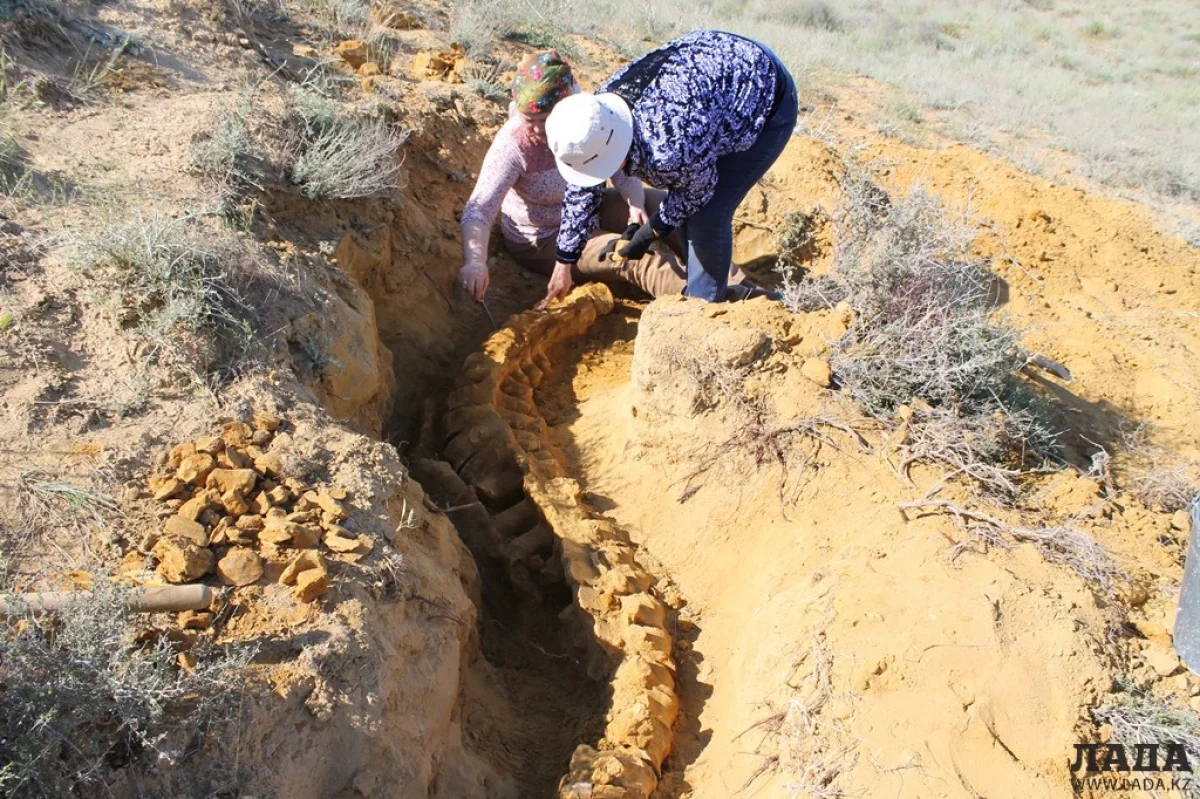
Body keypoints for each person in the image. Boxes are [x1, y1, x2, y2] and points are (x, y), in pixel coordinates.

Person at [457, 50, 749, 305]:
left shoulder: (585, 119)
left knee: (669, 209)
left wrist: (635, 203)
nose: (534, 129)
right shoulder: (514, 143)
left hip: (591, 210)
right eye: (527, 120)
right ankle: (709, 308)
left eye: (543, 121)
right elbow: (480, 208)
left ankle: (745, 289)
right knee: (635, 259)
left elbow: (618, 165)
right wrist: (475, 262)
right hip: (544, 238)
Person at [543, 30, 799, 305]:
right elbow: (583, 191)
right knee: (689, 210)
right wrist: (564, 261)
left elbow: (699, 191)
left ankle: (704, 309)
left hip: (763, 92)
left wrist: (651, 230)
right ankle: (712, 291)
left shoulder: (667, 148)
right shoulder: (594, 123)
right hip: (712, 83)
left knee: (708, 215)